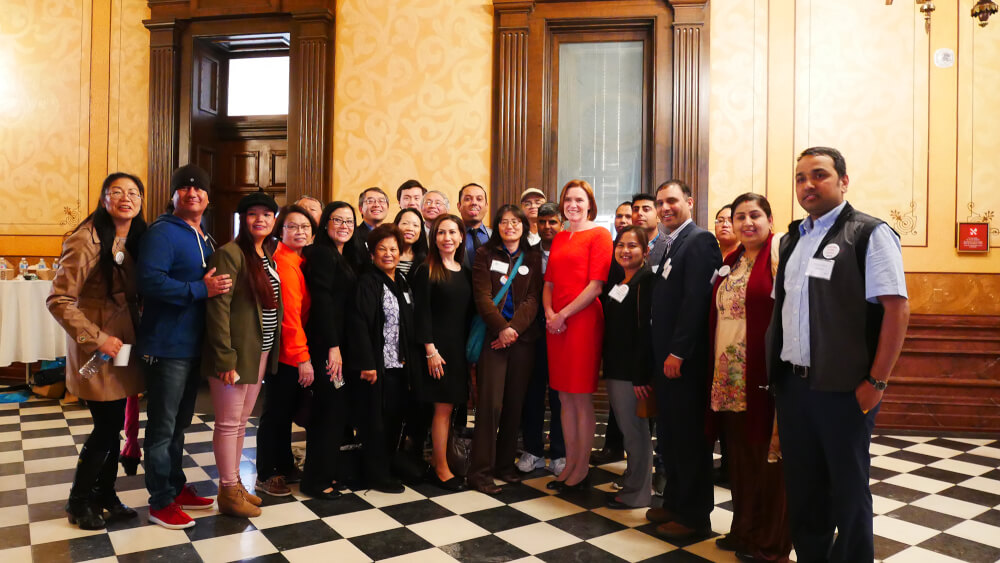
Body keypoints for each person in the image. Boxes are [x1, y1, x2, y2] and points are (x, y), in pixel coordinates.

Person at [768, 147, 908, 562]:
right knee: (804, 487)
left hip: (845, 390)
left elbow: (896, 310)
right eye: (799, 177)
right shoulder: (793, 239)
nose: (807, 185)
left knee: (847, 490)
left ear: (843, 181)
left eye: (819, 175)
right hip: (794, 387)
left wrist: (876, 382)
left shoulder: (868, 233)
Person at [48, 172, 147, 530]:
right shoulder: (86, 238)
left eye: (133, 192)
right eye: (117, 192)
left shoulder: (134, 236)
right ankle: (78, 501)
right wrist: (97, 338)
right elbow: (58, 299)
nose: (126, 198)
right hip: (97, 349)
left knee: (113, 422)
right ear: (104, 198)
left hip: (122, 344)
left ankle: (105, 495)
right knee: (106, 427)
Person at [137, 163, 228, 529]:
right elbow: (149, 282)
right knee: (162, 428)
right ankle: (160, 501)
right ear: (173, 195)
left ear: (208, 197)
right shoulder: (162, 233)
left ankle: (175, 486)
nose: (193, 193)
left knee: (179, 424)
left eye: (199, 188)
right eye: (185, 188)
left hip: (192, 346)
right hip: (166, 344)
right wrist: (198, 290)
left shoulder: (202, 234)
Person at [708, 193, 790, 561]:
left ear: (770, 220)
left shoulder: (779, 256)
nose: (746, 223)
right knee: (739, 456)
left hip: (763, 373)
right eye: (740, 217)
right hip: (729, 376)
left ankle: (770, 540)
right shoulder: (734, 261)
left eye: (755, 215)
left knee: (767, 458)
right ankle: (744, 528)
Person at [645, 179, 722, 540]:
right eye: (660, 203)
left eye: (672, 201)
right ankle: (675, 503)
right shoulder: (671, 244)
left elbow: (696, 301)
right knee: (673, 437)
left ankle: (695, 517)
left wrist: (678, 351)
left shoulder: (700, 240)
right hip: (666, 360)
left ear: (689, 202)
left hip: (684, 362)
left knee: (690, 440)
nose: (665, 208)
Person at [202, 192, 282, 517]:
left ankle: (234, 485)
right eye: (253, 214)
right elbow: (217, 310)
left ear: (274, 220)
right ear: (242, 219)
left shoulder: (267, 255)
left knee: (240, 424)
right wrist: (225, 358)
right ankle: (227, 489)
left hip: (258, 351)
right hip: (235, 354)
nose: (260, 219)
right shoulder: (229, 254)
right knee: (228, 422)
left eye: (266, 214)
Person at [543, 180, 613, 491]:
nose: (573, 204)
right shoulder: (559, 238)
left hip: (582, 321)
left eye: (579, 199)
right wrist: (549, 313)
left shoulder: (600, 235)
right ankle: (569, 462)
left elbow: (596, 285)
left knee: (581, 397)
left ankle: (582, 466)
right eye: (568, 199)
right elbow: (549, 283)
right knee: (562, 396)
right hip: (555, 325)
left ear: (589, 204)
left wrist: (563, 315)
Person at [468, 205, 543, 494]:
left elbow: (534, 298)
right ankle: (480, 472)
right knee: (490, 406)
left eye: (515, 222)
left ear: (524, 225)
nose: (510, 226)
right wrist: (502, 328)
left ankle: (504, 464)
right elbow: (483, 297)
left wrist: (514, 331)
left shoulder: (533, 256)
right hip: (493, 339)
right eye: (504, 222)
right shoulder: (485, 255)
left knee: (514, 404)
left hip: (522, 341)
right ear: (497, 225)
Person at [349, 224, 419, 493]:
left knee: (393, 419)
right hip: (377, 367)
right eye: (382, 249)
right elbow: (359, 324)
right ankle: (375, 475)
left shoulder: (400, 281)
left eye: (394, 249)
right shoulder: (368, 281)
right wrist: (367, 363)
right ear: (371, 253)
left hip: (399, 366)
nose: (389, 254)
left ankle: (387, 467)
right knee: (375, 423)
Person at [301, 201, 364, 499]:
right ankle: (315, 481)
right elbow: (323, 303)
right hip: (328, 346)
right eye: (337, 220)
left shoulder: (346, 255)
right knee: (329, 411)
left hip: (341, 345)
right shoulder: (323, 254)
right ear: (325, 223)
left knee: (337, 412)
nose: (344, 226)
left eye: (349, 221)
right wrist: (333, 348)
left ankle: (327, 473)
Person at [255, 205, 316, 497]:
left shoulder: (297, 260)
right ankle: (267, 473)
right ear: (281, 231)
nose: (300, 231)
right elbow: (289, 316)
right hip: (286, 351)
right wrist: (303, 357)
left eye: (305, 227)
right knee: (276, 413)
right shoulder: (284, 263)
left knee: (284, 411)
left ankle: (284, 463)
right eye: (293, 226)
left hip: (290, 347)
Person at [411, 214, 473, 492]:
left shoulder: (466, 271)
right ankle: (440, 468)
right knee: (442, 409)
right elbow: (420, 314)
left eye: (452, 232)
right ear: (433, 238)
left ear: (461, 237)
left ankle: (442, 461)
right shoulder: (426, 270)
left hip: (459, 351)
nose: (447, 238)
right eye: (441, 233)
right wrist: (430, 351)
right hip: (436, 352)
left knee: (450, 409)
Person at [600, 226, 654, 509]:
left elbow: (646, 331)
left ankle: (638, 493)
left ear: (645, 251)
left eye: (632, 245)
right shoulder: (622, 282)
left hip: (632, 373)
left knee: (636, 433)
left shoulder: (646, 281)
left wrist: (641, 375)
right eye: (620, 245)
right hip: (617, 368)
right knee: (629, 430)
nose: (625, 250)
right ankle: (633, 484)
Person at [517, 203, 566, 476]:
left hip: (562, 329)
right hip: (532, 333)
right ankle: (533, 450)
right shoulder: (528, 254)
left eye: (553, 222)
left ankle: (559, 452)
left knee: (560, 394)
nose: (548, 227)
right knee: (532, 393)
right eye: (543, 222)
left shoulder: (569, 251)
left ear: (562, 224)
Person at [458, 183, 490, 268]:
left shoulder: (497, 236)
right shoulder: (450, 236)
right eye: (468, 199)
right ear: (459, 206)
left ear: (486, 206)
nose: (474, 203)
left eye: (479, 199)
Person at [393, 207, 428, 280]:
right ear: (396, 226)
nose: (410, 228)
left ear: (421, 231)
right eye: (405, 223)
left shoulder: (426, 260)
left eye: (415, 225)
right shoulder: (387, 255)